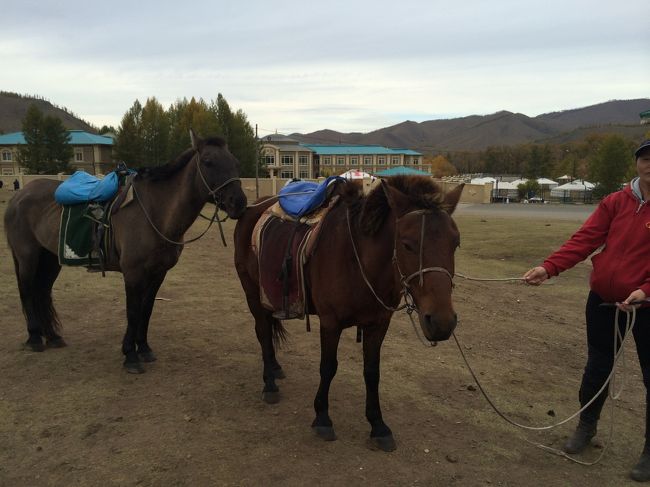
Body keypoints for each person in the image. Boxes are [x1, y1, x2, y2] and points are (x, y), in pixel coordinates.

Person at [524, 139, 650, 482]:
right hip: (603, 302)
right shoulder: (615, 202)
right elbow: (585, 239)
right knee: (597, 366)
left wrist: (645, 291)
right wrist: (549, 268)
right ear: (637, 162)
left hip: (646, 307)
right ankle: (586, 426)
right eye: (646, 157)